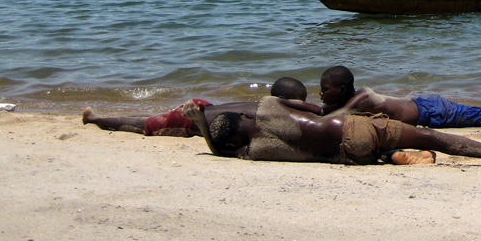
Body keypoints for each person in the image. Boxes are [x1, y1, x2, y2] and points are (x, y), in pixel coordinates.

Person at [181, 98, 481, 166]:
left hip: (350, 156)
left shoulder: (258, 152)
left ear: (235, 141)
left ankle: (394, 158)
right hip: (352, 128)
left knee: (381, 152)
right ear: (243, 115)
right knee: (431, 137)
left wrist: (202, 127)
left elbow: (220, 152)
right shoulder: (268, 105)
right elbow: (314, 109)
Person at [318, 65, 481, 127]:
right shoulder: (351, 99)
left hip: (431, 112)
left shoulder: (362, 98)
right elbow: (324, 111)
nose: (320, 94)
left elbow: (328, 117)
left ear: (341, 90)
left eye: (325, 90)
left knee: (480, 115)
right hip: (420, 103)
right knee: (476, 114)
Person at [82, 77, 316, 136]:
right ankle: (95, 120)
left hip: (206, 106)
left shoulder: (264, 105)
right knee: (144, 125)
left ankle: (101, 117)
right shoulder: (270, 113)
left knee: (154, 118)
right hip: (192, 117)